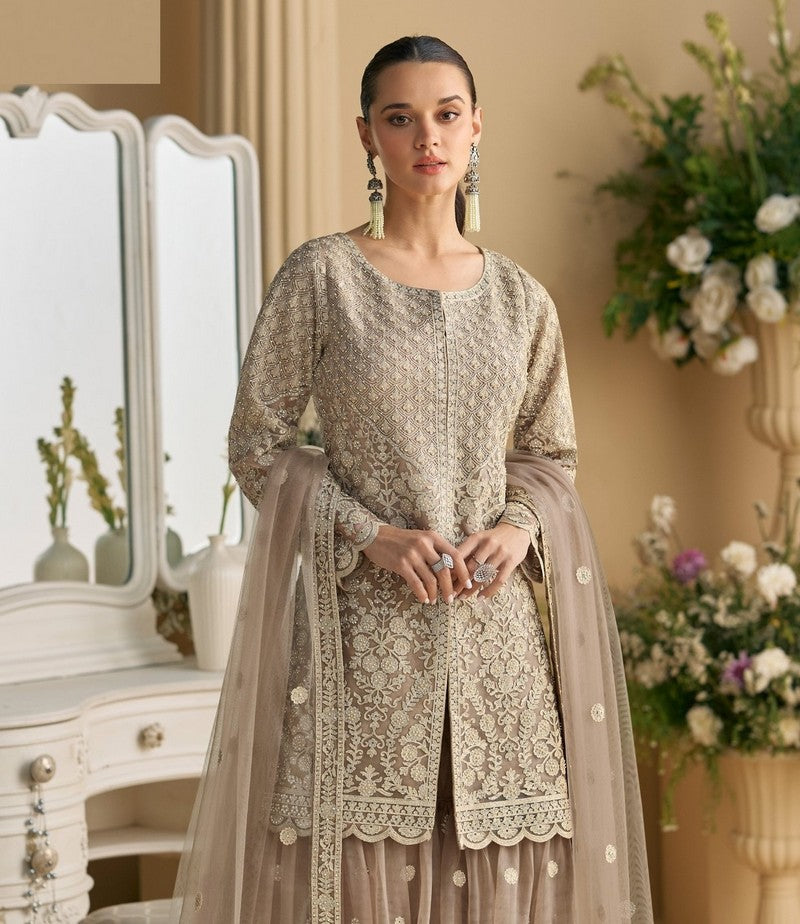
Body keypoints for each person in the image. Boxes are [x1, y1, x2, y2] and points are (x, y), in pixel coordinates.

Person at [171, 35, 653, 924]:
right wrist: (373, 536)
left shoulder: (521, 299)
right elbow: (256, 446)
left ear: (477, 128)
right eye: (401, 118)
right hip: (363, 653)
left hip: (498, 655)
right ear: (367, 135)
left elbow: (552, 457)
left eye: (446, 114)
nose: (427, 136)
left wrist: (514, 529)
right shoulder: (324, 278)